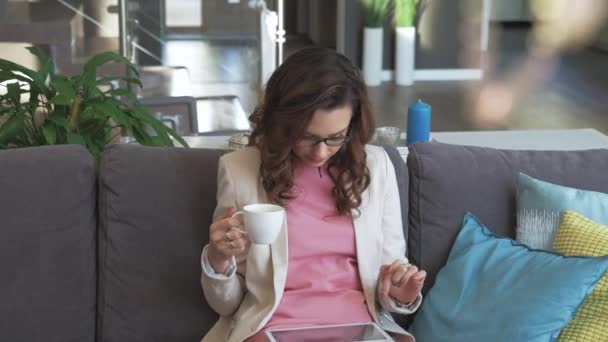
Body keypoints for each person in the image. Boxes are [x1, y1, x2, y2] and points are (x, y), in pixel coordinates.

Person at [200, 47, 426, 342]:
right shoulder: (239, 171)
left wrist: (399, 292)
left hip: (358, 330)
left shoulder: (377, 167)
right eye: (307, 136)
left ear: (354, 124)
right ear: (283, 122)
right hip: (271, 329)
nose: (320, 152)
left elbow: (389, 278)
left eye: (335, 137)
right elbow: (228, 305)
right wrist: (218, 260)